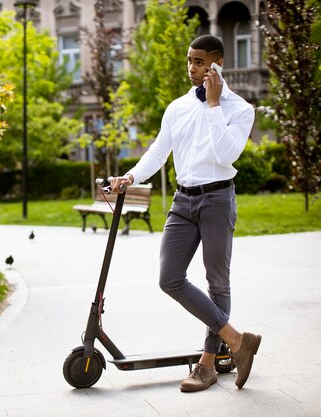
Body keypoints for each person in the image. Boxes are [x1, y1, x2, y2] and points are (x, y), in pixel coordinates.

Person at [109, 34, 261, 392]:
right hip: (183, 202)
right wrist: (130, 177)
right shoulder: (176, 107)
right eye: (189, 61)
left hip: (218, 200)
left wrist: (212, 105)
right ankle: (238, 341)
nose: (192, 68)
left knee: (217, 282)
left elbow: (226, 156)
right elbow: (158, 151)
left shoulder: (240, 109)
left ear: (217, 64)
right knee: (169, 278)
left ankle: (207, 365)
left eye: (199, 62)